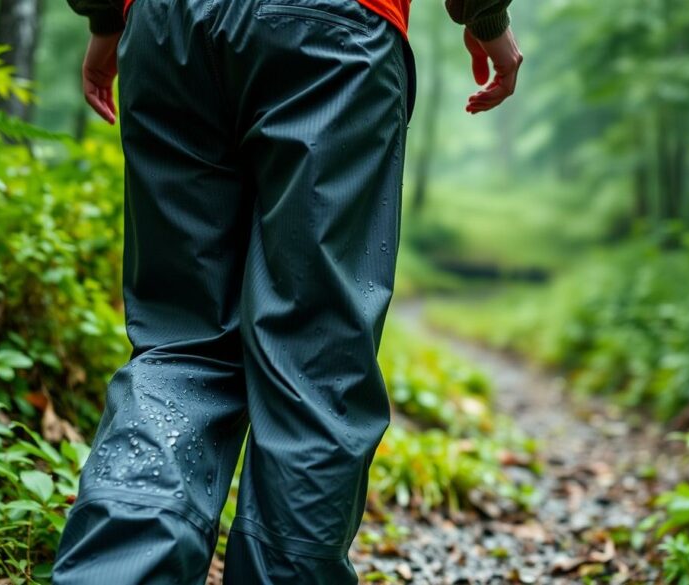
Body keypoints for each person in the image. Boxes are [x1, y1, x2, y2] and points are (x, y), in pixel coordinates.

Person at [52, 0, 521, 582]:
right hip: (333, 33)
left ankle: (116, 570)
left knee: (180, 346)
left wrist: (104, 13)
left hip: (169, 26)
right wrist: (485, 17)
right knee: (315, 360)